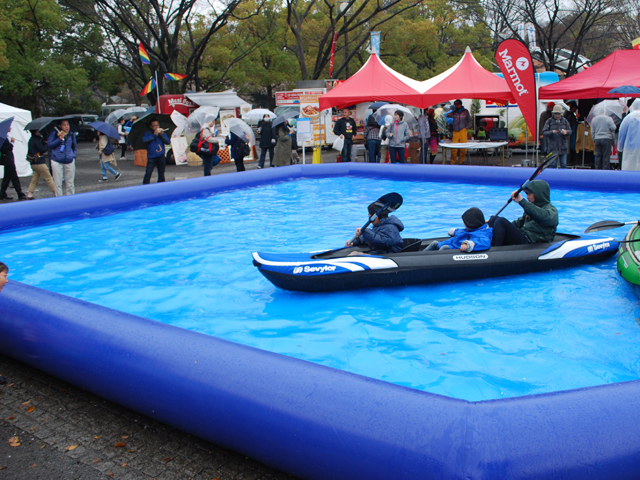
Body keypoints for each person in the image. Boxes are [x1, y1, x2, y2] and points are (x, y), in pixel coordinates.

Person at [487, 180, 558, 247]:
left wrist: (522, 201)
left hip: (531, 242)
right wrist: (494, 223)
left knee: (501, 221)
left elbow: (543, 217)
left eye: (529, 194)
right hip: (522, 236)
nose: (527, 197)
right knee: (494, 218)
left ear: (539, 194)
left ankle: (493, 251)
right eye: (526, 194)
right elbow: (518, 223)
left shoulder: (551, 210)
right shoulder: (531, 208)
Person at [426, 208, 493, 252]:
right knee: (434, 243)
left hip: (456, 248)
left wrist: (468, 245)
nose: (464, 224)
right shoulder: (470, 229)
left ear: (472, 224)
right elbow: (462, 232)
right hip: (453, 242)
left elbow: (484, 242)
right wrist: (454, 231)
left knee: (444, 248)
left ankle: (435, 264)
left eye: (465, 223)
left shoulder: (483, 234)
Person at [47, 120, 77, 196]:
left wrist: (74, 156)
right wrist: (59, 139)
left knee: (70, 183)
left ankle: (71, 199)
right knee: (58, 183)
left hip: (69, 159)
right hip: (57, 160)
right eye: (64, 125)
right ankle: (59, 200)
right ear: (60, 126)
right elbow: (49, 144)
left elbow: (74, 146)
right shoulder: (54, 133)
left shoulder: (71, 134)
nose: (66, 126)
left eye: (67, 124)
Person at [26, 129, 55, 199]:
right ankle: (56, 193)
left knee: (34, 180)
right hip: (40, 162)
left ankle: (29, 194)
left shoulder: (31, 140)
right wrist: (46, 144)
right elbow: (42, 149)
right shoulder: (37, 140)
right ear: (36, 132)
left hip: (33, 163)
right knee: (49, 178)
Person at [0, 128, 27, 200]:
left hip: (8, 159)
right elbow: (4, 149)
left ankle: (2, 193)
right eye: (9, 127)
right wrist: (12, 143)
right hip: (8, 160)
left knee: (7, 177)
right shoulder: (2, 138)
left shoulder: (5, 136)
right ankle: (20, 193)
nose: (10, 128)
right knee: (14, 177)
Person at [590, 105, 617, 170]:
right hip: (607, 138)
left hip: (597, 139)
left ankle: (597, 169)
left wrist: (594, 139)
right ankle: (605, 170)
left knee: (598, 155)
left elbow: (592, 131)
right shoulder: (609, 118)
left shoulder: (594, 119)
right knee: (606, 156)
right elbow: (614, 128)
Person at [446, 99, 472, 165]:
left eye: (457, 104)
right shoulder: (454, 112)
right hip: (455, 131)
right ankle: (453, 162)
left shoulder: (466, 112)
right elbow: (449, 115)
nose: (456, 106)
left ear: (461, 104)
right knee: (454, 149)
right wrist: (448, 114)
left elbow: (470, 120)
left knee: (463, 149)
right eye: (455, 105)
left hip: (463, 131)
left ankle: (461, 161)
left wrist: (466, 127)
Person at [618, 99, 640, 171]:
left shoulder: (628, 118)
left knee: (629, 169)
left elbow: (622, 133)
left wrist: (620, 148)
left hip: (629, 149)